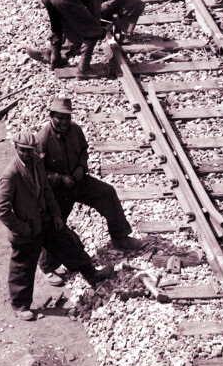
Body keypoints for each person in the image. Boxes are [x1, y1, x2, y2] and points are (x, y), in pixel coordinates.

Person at [0, 132, 114, 319]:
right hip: (26, 230)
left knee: (69, 246)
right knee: (22, 267)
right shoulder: (11, 174)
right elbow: (1, 209)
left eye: (30, 150)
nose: (27, 154)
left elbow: (47, 191)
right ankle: (20, 306)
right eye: (23, 150)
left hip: (45, 221)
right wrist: (22, 228)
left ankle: (92, 275)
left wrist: (57, 214)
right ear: (15, 148)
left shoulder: (36, 163)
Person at [39, 97, 145, 252]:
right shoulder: (42, 139)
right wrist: (60, 179)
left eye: (67, 118)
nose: (64, 122)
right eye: (60, 118)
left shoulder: (75, 129)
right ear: (51, 116)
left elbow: (83, 150)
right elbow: (38, 173)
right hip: (58, 190)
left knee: (107, 193)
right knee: (56, 223)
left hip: (79, 181)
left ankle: (120, 238)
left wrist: (82, 166)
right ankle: (48, 267)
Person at [41, 0, 110, 74]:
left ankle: (55, 60)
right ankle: (84, 69)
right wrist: (100, 30)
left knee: (57, 27)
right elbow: (95, 14)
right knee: (93, 32)